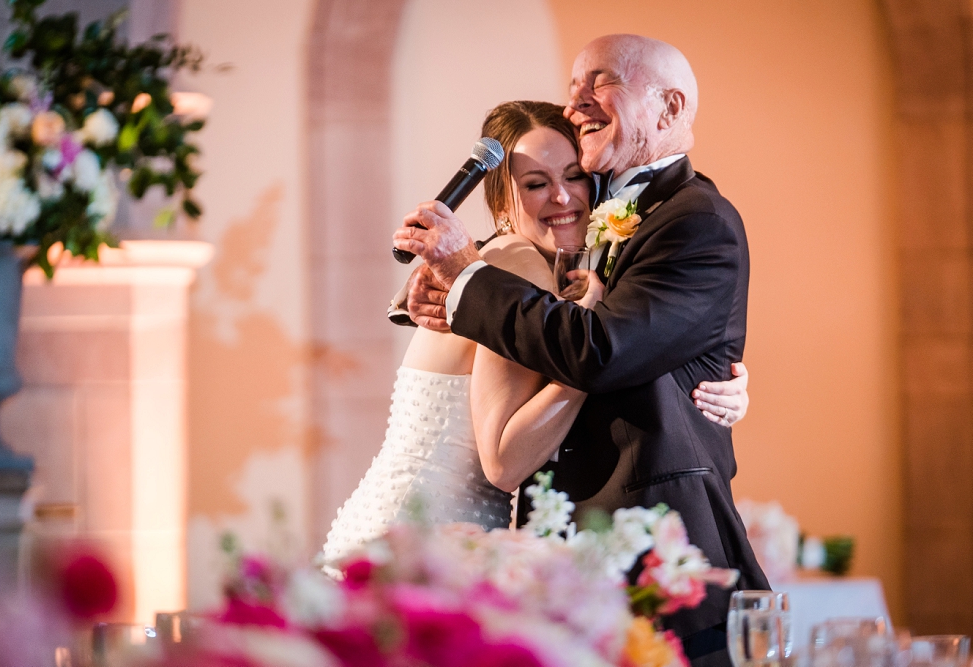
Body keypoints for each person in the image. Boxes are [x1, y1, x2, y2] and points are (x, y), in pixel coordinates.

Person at [393, 35, 768, 667]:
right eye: (572, 89)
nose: (576, 104)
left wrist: (465, 275)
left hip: (655, 549)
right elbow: (531, 260)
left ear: (670, 107)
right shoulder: (592, 213)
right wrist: (455, 280)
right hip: (569, 550)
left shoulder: (696, 220)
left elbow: (606, 348)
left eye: (601, 82)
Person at [323, 101, 750, 565]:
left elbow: (636, 331)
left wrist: (709, 375)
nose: (562, 197)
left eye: (574, 176)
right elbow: (504, 463)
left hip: (435, 528)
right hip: (420, 537)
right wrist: (590, 359)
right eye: (536, 183)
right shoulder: (517, 266)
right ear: (502, 204)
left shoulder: (519, 270)